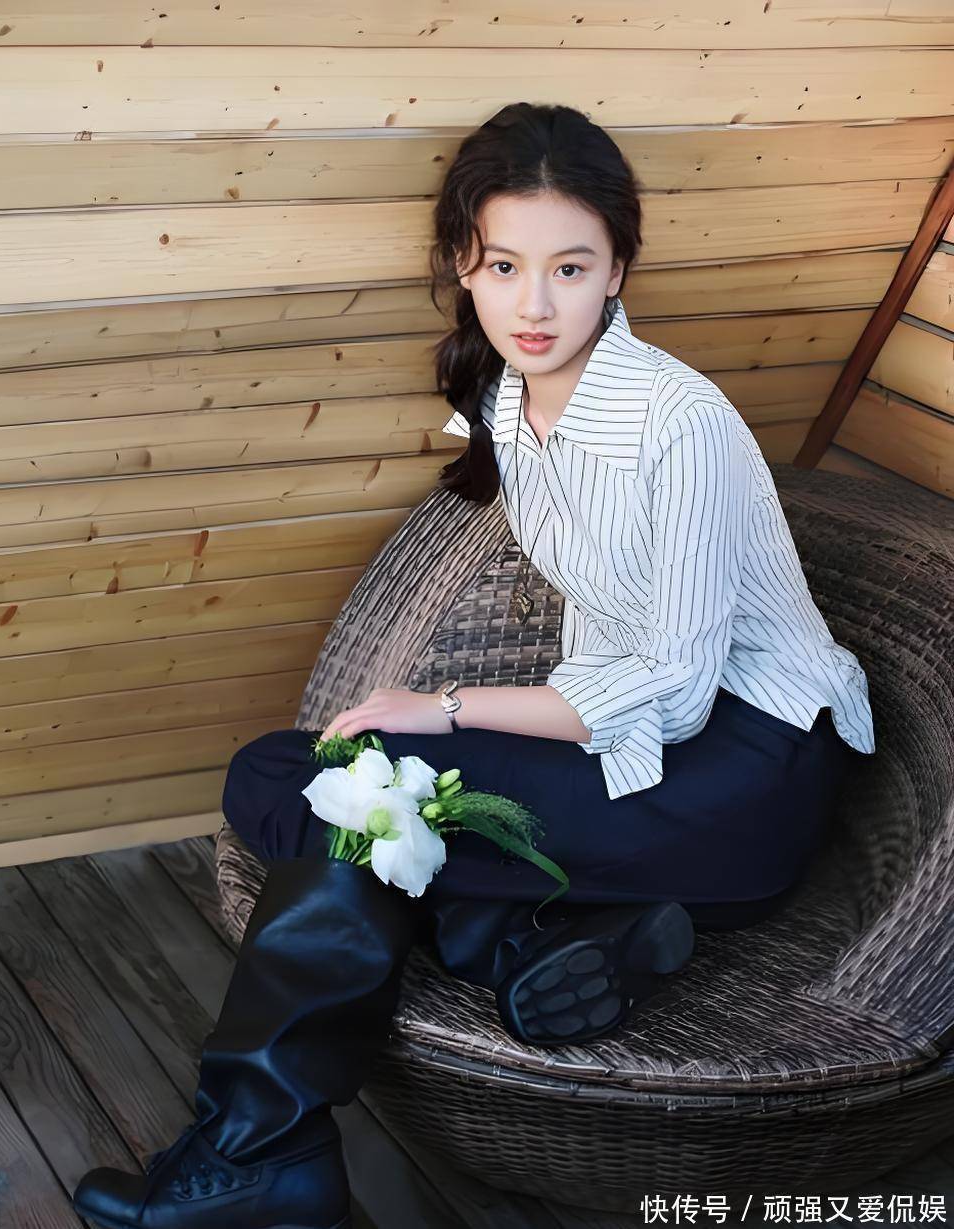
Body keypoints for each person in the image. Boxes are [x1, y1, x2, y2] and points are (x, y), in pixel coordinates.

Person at [72, 101, 875, 1229]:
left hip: (740, 775)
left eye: (570, 268)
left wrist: (446, 708)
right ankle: (516, 939)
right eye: (504, 265)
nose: (534, 305)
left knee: (369, 791)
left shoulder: (677, 421)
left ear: (617, 270)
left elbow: (678, 689)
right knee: (276, 772)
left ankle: (261, 1146)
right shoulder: (510, 400)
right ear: (465, 263)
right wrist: (439, 723)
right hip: (629, 758)